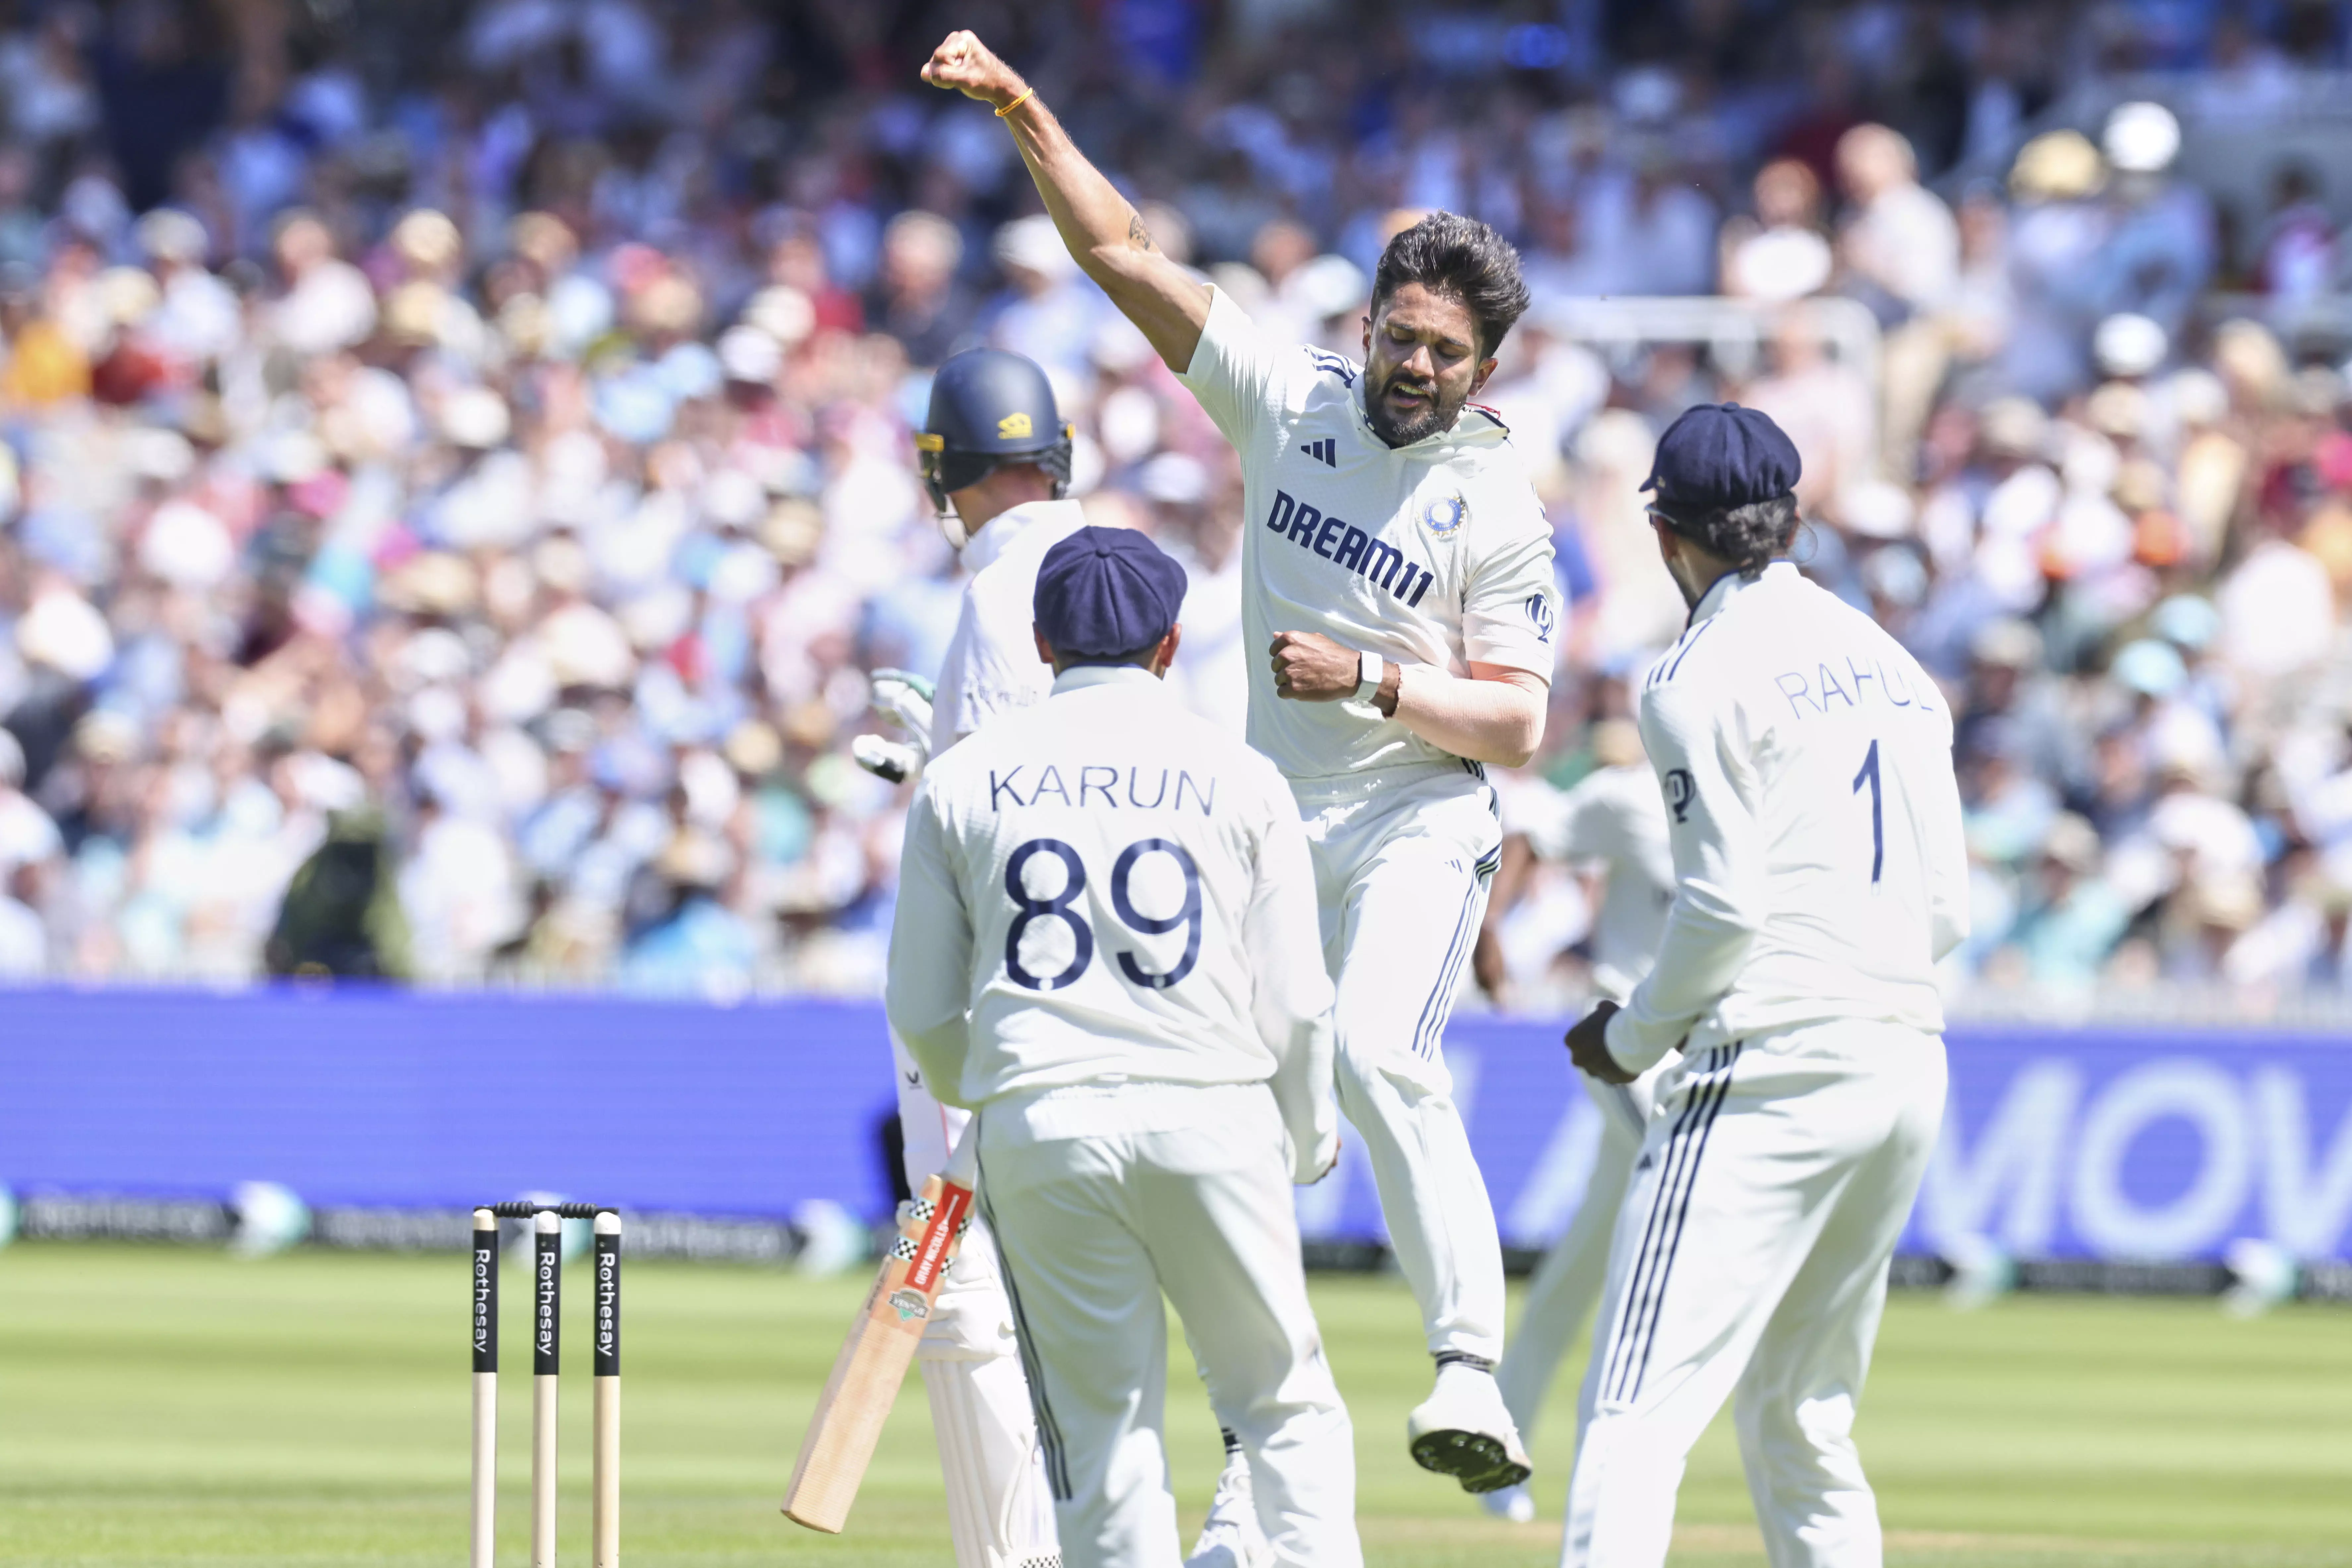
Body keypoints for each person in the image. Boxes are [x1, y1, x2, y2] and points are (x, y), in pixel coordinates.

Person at [926, 30, 1560, 1499]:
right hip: (1273, 825)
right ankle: (1250, 1460)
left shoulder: (1497, 508)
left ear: (1485, 368)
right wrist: (1025, 105)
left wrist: (1379, 681)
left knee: (1385, 1059)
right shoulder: (1291, 401)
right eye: (1401, 335)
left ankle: (1471, 1370)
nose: (1412, 366)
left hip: (1416, 816)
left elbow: (1518, 725)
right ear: (1373, 320)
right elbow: (1122, 256)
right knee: (1226, 1115)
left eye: (1443, 354)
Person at [886, 526, 1358, 1568]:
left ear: (1043, 645)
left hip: (1044, 1128)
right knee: (1286, 1410)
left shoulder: (962, 779)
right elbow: (1299, 1001)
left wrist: (997, 1089)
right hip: (1212, 1111)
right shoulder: (1240, 775)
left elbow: (918, 1006)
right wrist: (1307, 1130)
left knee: (1103, 1445)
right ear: (1172, 643)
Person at [1558, 404, 1967, 1566]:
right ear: (1789, 521)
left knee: (1632, 1417)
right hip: (1903, 1061)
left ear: (1663, 531)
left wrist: (1631, 1039)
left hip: (1769, 1068)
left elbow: (1725, 908)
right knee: (1803, 1417)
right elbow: (1950, 911)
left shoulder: (1691, 674)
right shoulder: (1893, 664)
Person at [854, 345, 1085, 1568]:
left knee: (958, 1289)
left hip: (995, 1006)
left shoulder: (1001, 594)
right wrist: (927, 764)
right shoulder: (1121, 564)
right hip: (1115, 989)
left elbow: (1008, 821)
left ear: (944, 468)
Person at [1466, 717, 1674, 1525]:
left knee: (1584, 1259)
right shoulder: (1627, 797)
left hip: (1696, 1050)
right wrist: (1490, 927)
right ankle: (1611, 1469)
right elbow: (1530, 829)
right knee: (1678, 1205)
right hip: (1624, 1041)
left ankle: (1495, 1447)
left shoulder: (1755, 796)